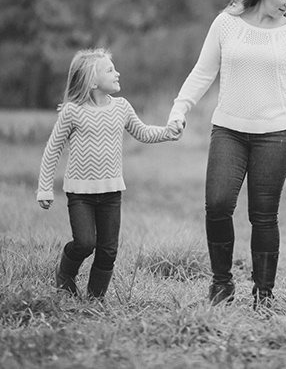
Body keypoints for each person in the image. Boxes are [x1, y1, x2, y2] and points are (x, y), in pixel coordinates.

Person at [167, 0, 286, 308]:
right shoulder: (226, 23)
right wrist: (180, 109)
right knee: (217, 205)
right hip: (228, 130)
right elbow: (203, 71)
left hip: (276, 135)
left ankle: (263, 295)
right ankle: (221, 284)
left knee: (263, 215)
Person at [36, 48, 179, 300]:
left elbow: (143, 132)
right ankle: (65, 275)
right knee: (84, 243)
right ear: (92, 81)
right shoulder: (73, 111)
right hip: (80, 193)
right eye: (110, 70)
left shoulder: (121, 107)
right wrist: (45, 188)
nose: (117, 73)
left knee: (108, 250)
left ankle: (95, 299)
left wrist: (168, 131)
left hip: (112, 193)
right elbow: (52, 150)